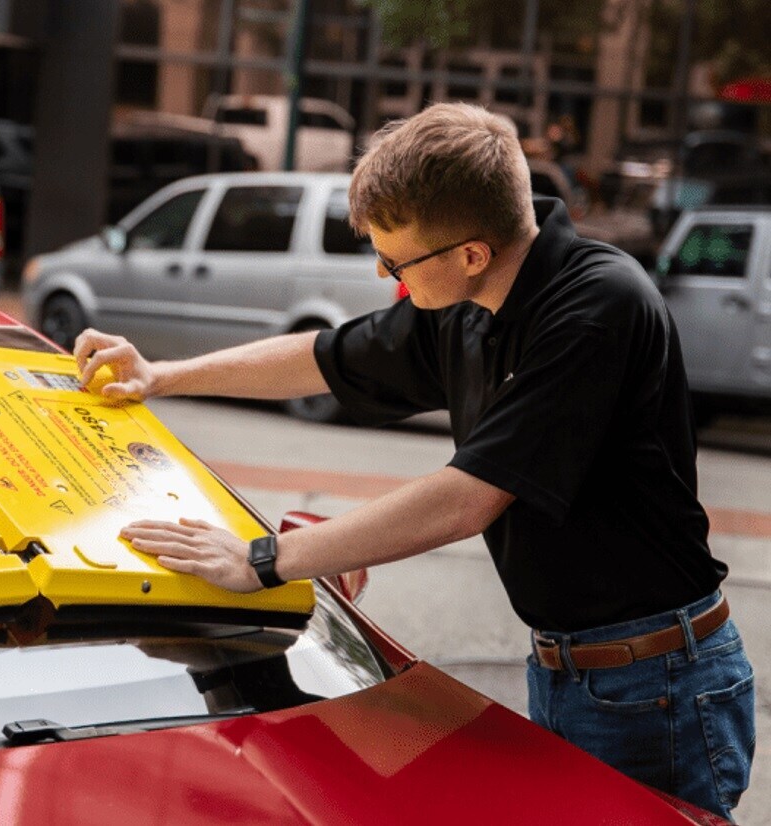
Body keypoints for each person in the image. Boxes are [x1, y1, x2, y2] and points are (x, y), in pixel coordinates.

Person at [74, 103, 755, 820]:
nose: (381, 271)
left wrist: (266, 558)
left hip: (659, 687)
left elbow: (468, 498)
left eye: (394, 260)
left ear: (471, 254)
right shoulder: (470, 303)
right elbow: (327, 357)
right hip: (573, 669)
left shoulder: (594, 310)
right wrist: (162, 377)